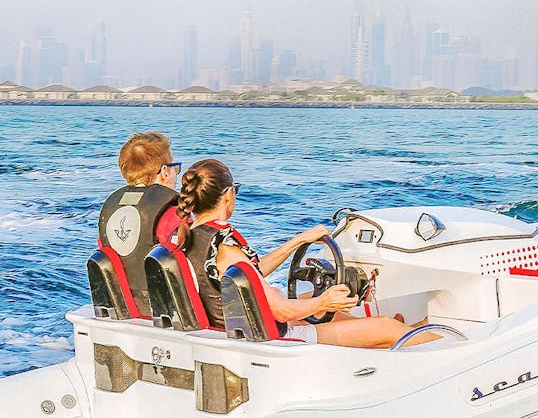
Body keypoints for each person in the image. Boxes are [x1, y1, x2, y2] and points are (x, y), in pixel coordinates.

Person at [174, 159, 435, 348]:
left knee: (314, 296)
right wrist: (325, 303)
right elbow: (282, 312)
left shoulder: (192, 235)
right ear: (228, 195)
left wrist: (296, 242)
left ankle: (409, 330)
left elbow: (246, 275)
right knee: (383, 328)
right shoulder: (226, 246)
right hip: (273, 337)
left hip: (235, 327)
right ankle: (432, 341)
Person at [97, 132, 184, 317]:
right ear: (164, 172)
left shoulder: (112, 209)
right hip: (167, 311)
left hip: (124, 306)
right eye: (175, 168)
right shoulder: (173, 213)